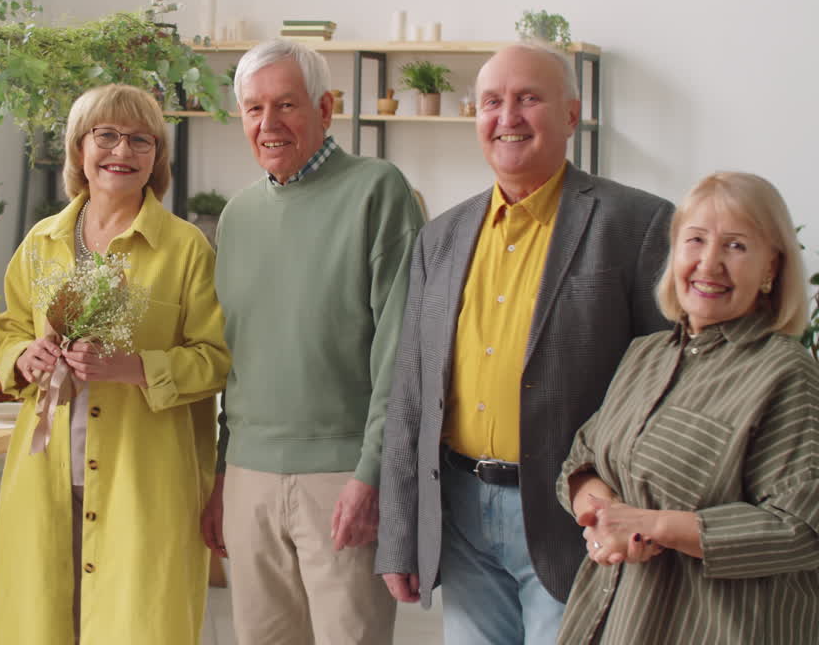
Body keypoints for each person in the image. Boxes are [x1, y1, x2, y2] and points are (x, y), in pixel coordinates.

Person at [376, 42, 675, 644]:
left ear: (570, 115)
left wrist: (641, 518)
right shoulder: (441, 237)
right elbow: (412, 389)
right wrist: (400, 532)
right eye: (491, 102)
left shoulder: (636, 225)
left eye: (528, 99)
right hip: (459, 512)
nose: (507, 117)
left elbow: (666, 391)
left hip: (576, 519)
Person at [0, 84, 231, 644]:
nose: (122, 150)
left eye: (139, 140)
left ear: (155, 159)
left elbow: (216, 359)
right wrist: (25, 356)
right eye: (106, 136)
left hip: (143, 483)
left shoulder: (187, 248)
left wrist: (135, 368)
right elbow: (9, 332)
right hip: (43, 477)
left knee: (136, 623)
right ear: (79, 150)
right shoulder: (39, 243)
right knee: (42, 622)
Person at [203, 39, 422, 644]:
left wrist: (373, 473)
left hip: (343, 477)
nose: (267, 124)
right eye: (252, 109)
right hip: (248, 478)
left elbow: (404, 353)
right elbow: (235, 359)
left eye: (286, 105)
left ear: (325, 109)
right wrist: (223, 476)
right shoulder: (237, 216)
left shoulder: (379, 192)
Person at [556, 172, 819, 644]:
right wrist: (601, 515)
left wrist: (654, 525)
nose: (709, 263)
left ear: (771, 269)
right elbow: (583, 457)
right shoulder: (647, 353)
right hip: (613, 619)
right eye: (695, 240)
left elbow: (801, 528)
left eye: (736, 246)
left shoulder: (785, 371)